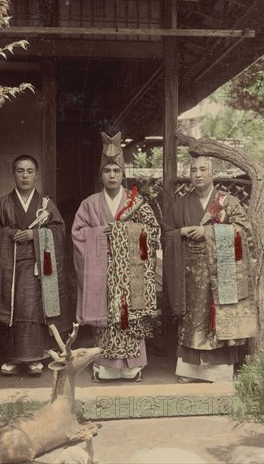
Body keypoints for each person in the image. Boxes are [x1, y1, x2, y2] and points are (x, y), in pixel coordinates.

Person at [72, 132, 159, 382]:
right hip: (101, 271)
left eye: (116, 171)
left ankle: (133, 366)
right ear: (100, 175)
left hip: (130, 272)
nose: (112, 175)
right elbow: (77, 234)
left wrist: (123, 232)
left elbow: (153, 231)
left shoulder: (136, 202)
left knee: (129, 319)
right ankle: (105, 366)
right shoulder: (89, 204)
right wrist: (100, 233)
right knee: (107, 321)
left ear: (123, 175)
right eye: (107, 170)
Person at [162, 154, 257, 383]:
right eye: (193, 170)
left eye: (203, 169)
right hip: (191, 273)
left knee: (220, 314)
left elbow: (245, 233)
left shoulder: (227, 201)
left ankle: (221, 370)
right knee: (194, 319)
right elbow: (166, 233)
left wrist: (209, 232)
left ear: (212, 173)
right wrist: (180, 233)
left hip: (224, 271)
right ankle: (191, 371)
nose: (197, 174)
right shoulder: (180, 204)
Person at [0, 154, 73, 376]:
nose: (25, 175)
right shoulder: (2, 204)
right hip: (9, 269)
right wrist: (10, 235)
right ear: (13, 174)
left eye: (29, 171)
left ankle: (35, 358)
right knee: (13, 309)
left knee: (34, 310)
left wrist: (35, 235)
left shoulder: (46, 204)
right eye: (20, 171)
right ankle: (13, 358)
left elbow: (60, 231)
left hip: (39, 267)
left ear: (36, 175)